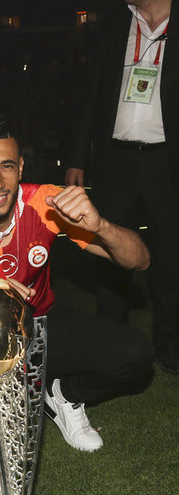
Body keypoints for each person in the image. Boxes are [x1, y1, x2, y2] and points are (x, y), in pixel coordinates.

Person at [0, 111, 154, 453]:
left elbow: (140, 260)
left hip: (40, 325)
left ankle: (63, 395)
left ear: (21, 167)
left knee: (135, 354)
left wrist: (100, 226)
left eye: (6, 166)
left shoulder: (44, 202)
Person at [65, 0, 178, 375]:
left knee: (171, 255)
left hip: (168, 162)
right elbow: (90, 94)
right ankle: (111, 343)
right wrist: (77, 158)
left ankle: (170, 348)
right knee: (110, 252)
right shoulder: (113, 25)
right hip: (116, 161)